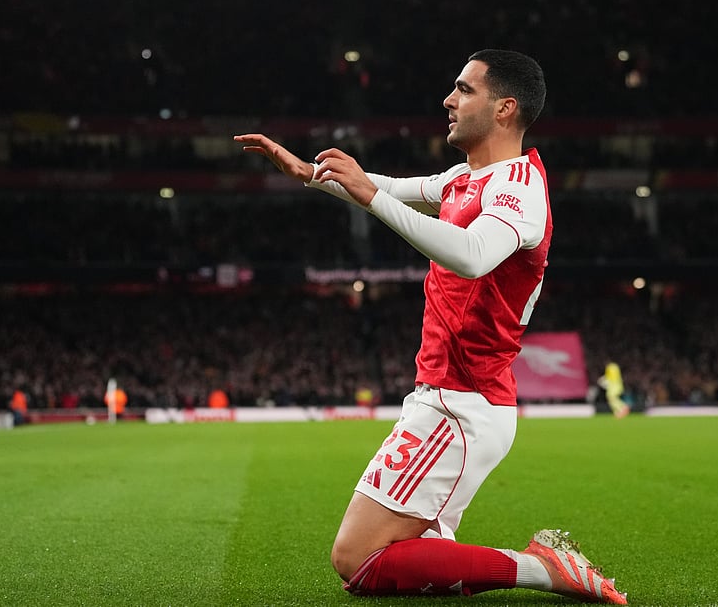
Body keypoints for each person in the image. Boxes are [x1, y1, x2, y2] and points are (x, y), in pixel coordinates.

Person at [235, 49, 626, 604]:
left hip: (464, 404)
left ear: (505, 108)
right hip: (445, 396)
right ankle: (464, 561)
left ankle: (543, 568)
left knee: (357, 558)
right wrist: (310, 175)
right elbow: (386, 187)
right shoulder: (464, 178)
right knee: (398, 557)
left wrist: (370, 195)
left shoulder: (518, 188)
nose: (448, 99)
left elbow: (471, 255)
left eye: (465, 89)